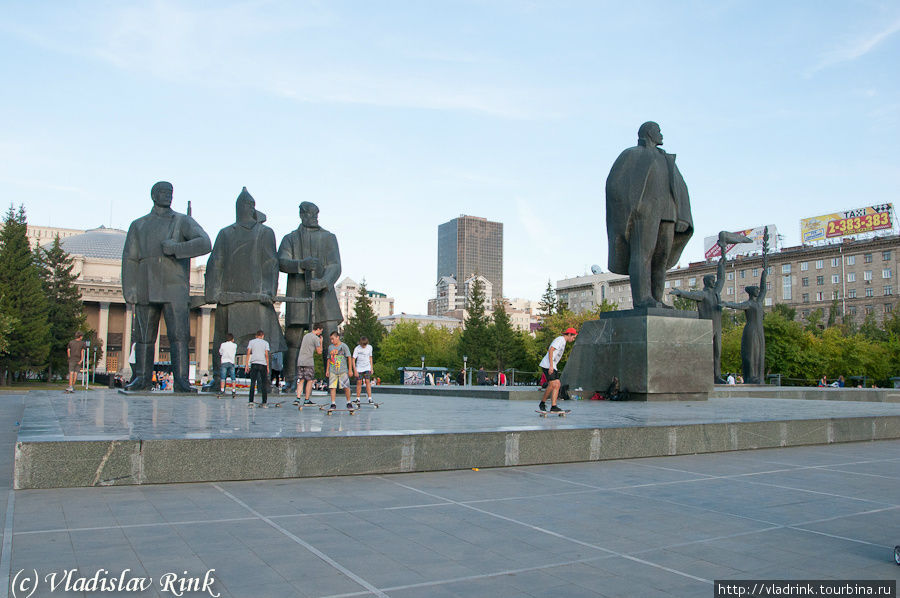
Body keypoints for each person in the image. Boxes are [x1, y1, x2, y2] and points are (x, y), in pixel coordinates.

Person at [122, 181, 211, 392]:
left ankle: (181, 380)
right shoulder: (139, 225)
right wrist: (130, 289)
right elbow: (130, 258)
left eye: (170, 192)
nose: (168, 196)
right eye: (163, 192)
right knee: (143, 336)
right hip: (146, 285)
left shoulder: (182, 221)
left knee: (179, 336)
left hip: (174, 287)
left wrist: (177, 248)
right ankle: (142, 378)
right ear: (153, 195)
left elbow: (205, 243)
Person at [203, 187, 287, 393]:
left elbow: (271, 262)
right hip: (229, 296)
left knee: (262, 341)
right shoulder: (225, 233)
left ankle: (264, 381)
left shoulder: (265, 233)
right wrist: (212, 291)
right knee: (221, 338)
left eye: (249, 205)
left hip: (257, 297)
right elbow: (215, 263)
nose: (245, 208)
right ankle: (217, 379)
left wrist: (268, 289)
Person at [606, 122, 693, 309]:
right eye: (658, 131)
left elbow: (680, 187)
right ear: (649, 133)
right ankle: (642, 299)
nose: (661, 135)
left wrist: (682, 216)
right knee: (643, 255)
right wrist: (632, 207)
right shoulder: (631, 154)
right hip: (644, 214)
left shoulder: (666, 158)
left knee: (661, 257)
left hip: (668, 214)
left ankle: (656, 299)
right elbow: (614, 184)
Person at [279, 202, 343, 391]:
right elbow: (281, 262)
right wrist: (301, 265)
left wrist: (323, 282)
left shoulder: (328, 237)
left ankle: (336, 380)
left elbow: (335, 265)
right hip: (299, 294)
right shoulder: (290, 238)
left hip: (324, 297)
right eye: (308, 213)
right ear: (301, 214)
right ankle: (290, 379)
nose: (313, 216)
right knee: (293, 341)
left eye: (315, 213)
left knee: (332, 342)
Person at [723, 228, 769, 384]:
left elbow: (764, 288)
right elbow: (737, 305)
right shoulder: (749, 303)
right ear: (751, 292)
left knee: (760, 353)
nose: (758, 290)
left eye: (757, 289)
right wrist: (726, 303)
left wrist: (764, 273)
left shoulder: (758, 301)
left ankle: (759, 376)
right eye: (755, 289)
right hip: (751, 330)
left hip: (759, 330)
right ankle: (751, 376)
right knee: (751, 353)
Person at [538, 327, 578, 412]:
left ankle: (553, 406)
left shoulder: (563, 341)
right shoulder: (560, 339)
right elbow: (551, 350)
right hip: (548, 365)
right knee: (553, 384)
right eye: (573, 337)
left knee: (557, 384)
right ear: (569, 334)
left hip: (552, 365)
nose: (573, 339)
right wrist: (551, 366)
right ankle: (543, 403)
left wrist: (553, 365)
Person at [293, 323, 323, 406]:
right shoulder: (315, 338)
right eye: (321, 331)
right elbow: (319, 352)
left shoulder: (306, 336)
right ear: (318, 329)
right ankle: (306, 400)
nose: (320, 333)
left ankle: (297, 399)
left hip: (300, 361)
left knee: (301, 380)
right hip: (308, 361)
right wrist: (321, 342)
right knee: (309, 380)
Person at [326, 331, 354, 410]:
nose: (332, 341)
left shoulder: (344, 346)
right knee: (332, 387)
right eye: (331, 339)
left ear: (337, 337)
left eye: (333, 339)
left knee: (346, 387)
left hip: (343, 370)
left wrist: (350, 370)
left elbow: (349, 357)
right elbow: (328, 358)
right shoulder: (330, 347)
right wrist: (327, 370)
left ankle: (348, 402)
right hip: (333, 370)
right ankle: (333, 403)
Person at [245, 330, 270, 407]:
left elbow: (248, 352)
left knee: (253, 383)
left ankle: (251, 401)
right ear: (262, 336)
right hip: (263, 364)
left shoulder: (251, 342)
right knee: (264, 383)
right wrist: (268, 366)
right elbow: (266, 355)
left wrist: (246, 365)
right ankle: (264, 402)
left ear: (256, 335)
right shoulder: (265, 343)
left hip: (254, 363)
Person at [352, 336, 375, 403]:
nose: (364, 346)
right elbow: (353, 359)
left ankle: (370, 398)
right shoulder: (357, 348)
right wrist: (355, 370)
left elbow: (370, 357)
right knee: (359, 382)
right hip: (359, 368)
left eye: (365, 345)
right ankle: (358, 398)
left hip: (367, 367)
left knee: (367, 381)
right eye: (363, 345)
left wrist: (371, 368)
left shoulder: (370, 347)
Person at [218, 333, 238, 398]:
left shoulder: (223, 345)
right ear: (232, 339)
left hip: (224, 361)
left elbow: (220, 352)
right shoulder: (234, 345)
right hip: (231, 362)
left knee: (223, 377)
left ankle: (222, 390)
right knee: (233, 377)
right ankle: (234, 390)